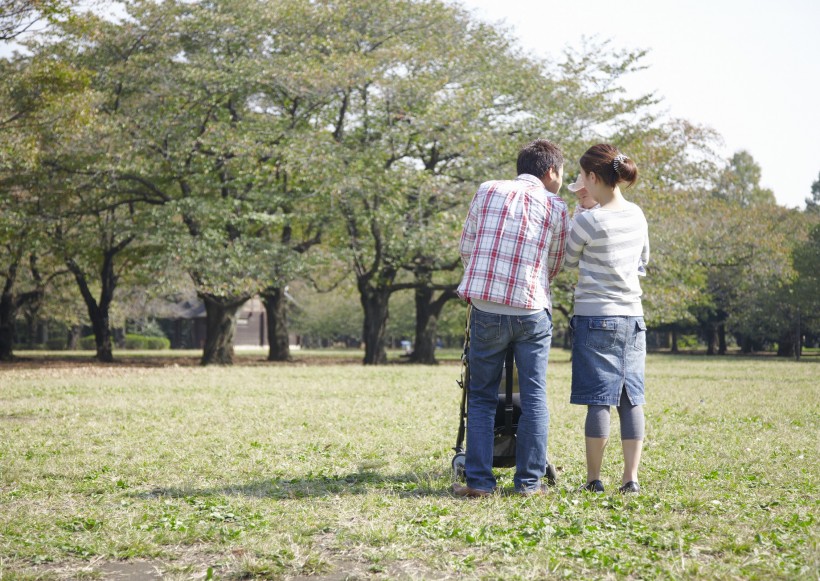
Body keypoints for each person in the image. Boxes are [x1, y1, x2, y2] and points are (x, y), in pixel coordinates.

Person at [453, 139, 570, 497]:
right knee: (534, 395)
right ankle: (529, 483)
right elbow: (555, 263)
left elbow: (467, 247)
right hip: (532, 308)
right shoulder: (556, 206)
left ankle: (479, 483)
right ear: (551, 171)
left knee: (482, 396)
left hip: (487, 307)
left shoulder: (486, 191)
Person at [564, 143, 650, 494]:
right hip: (632, 317)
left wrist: (576, 217)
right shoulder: (638, 215)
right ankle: (631, 479)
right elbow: (643, 262)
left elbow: (568, 260)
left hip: (595, 317)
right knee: (631, 398)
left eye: (583, 176)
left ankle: (593, 480)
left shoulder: (588, 220)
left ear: (594, 177)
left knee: (599, 399)